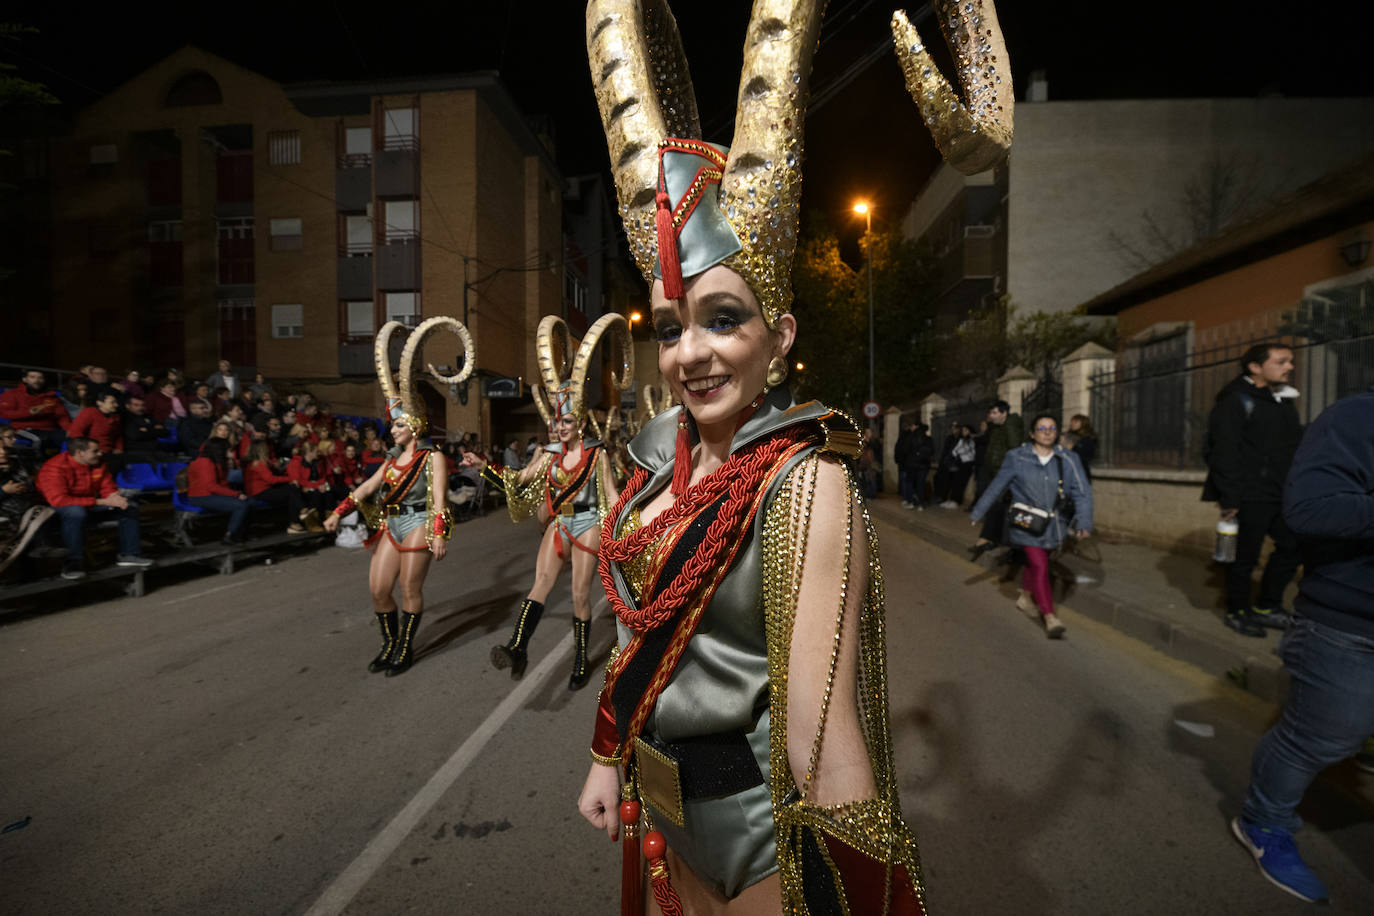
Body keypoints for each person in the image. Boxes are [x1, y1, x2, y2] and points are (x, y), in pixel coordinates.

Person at [572, 2, 975, 905]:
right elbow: (640, 638)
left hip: (763, 838)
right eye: (673, 328)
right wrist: (609, 759)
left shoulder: (804, 481)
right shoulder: (656, 464)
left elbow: (820, 738)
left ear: (779, 335)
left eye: (724, 319)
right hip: (659, 810)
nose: (692, 353)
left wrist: (869, 891)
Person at [1230, 387, 1374, 905]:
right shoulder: (1357, 417)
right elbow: (1310, 509)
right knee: (1323, 736)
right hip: (1351, 623)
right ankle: (1263, 822)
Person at [322, 317, 472, 677]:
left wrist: (438, 533)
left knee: (409, 587)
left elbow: (439, 497)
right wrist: (338, 511)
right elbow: (368, 487)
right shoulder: (391, 459)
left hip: (419, 520)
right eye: (393, 423)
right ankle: (389, 643)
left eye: (400, 424)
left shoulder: (431, 457)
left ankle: (404, 647)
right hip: (390, 523)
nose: (393, 429)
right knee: (377, 589)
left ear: (416, 426)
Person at [485, 314, 626, 691]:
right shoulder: (546, 454)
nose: (559, 427)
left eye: (565, 422)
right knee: (541, 584)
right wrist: (483, 469)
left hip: (587, 524)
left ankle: (581, 656)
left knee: (580, 594)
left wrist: (628, 527)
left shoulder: (596, 454)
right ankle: (517, 647)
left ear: (578, 423)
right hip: (558, 523)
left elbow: (610, 495)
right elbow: (520, 479)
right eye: (556, 422)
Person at [1203, 343, 1302, 637]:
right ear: (1255, 367)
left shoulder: (1282, 400)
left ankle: (1267, 606)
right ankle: (1237, 611)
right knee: (1245, 556)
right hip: (1248, 493)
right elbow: (1223, 452)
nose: (1289, 367)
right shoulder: (1235, 400)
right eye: (1282, 361)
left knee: (1293, 545)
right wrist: (1230, 497)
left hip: (1281, 491)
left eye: (1290, 361)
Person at [970, 413, 1093, 638]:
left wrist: (1084, 521)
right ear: (1032, 433)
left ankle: (1025, 597)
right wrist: (979, 511)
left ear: (1056, 433)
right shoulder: (1016, 457)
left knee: (1039, 562)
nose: (1047, 432)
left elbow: (1082, 491)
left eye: (1052, 428)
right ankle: (1049, 616)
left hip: (1055, 524)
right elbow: (997, 485)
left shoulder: (1068, 459)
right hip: (1026, 523)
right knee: (1040, 565)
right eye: (1042, 427)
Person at [36, 436, 153, 579]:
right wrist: (101, 502)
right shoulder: (54, 467)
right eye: (95, 451)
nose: (100, 453)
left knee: (129, 506)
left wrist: (115, 498)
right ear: (80, 453)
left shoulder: (98, 463)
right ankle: (72, 563)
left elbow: (107, 486)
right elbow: (59, 500)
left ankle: (129, 555)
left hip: (89, 505)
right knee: (75, 512)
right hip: (57, 510)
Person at [969, 399, 1026, 559]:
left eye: (994, 413)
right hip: (996, 474)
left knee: (1006, 510)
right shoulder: (996, 428)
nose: (991, 416)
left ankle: (1009, 547)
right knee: (998, 508)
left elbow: (1014, 449)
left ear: (1004, 413)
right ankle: (991, 540)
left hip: (1009, 476)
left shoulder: (1011, 425)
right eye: (990, 413)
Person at [0, 436, 52, 576]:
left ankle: (28, 573)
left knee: (39, 513)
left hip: (20, 509)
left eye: (4, 448)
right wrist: (3, 491)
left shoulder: (16, 464)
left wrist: (28, 485)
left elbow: (34, 482)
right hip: (4, 513)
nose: (3, 452)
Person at [186, 437, 250, 544]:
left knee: (248, 501)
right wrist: (236, 494)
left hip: (209, 494)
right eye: (228, 450)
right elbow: (211, 486)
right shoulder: (204, 462)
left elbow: (222, 483)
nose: (231, 453)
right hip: (201, 496)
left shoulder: (215, 462)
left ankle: (240, 534)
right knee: (240, 505)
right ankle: (230, 535)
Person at [243, 441, 313, 534]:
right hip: (260, 493)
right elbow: (270, 479)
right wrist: (290, 479)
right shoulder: (257, 464)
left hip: (264, 489)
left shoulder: (256, 463)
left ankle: (300, 515)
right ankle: (298, 517)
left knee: (292, 488)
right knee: (290, 493)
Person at [0, 369, 70, 452]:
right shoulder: (11, 394)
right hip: (24, 429)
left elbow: (62, 417)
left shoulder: (51, 397)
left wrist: (70, 430)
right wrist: (29, 412)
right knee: (43, 439)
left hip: (51, 430)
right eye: (32, 377)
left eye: (40, 378)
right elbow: (5, 414)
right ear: (25, 379)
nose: (36, 380)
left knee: (74, 437)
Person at [69, 392, 125, 472]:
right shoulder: (90, 413)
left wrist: (119, 448)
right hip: (92, 451)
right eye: (112, 402)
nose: (116, 405)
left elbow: (118, 435)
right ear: (100, 403)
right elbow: (75, 432)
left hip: (109, 451)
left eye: (116, 402)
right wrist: (89, 450)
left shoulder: (115, 417)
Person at [940, 424, 978, 508]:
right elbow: (954, 451)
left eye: (965, 430)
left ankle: (956, 501)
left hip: (968, 463)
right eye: (963, 430)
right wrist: (959, 452)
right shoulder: (961, 440)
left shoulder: (972, 440)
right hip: (961, 462)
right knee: (956, 482)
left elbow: (966, 450)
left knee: (961, 483)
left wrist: (959, 452)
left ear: (969, 431)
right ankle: (952, 500)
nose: (963, 432)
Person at [901, 420, 934, 510]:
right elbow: (932, 451)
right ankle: (920, 503)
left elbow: (905, 450)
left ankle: (911, 502)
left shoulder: (911, 437)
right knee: (921, 484)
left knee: (911, 483)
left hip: (912, 465)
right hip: (924, 465)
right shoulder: (928, 438)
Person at [1065, 413, 1097, 481]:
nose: (1072, 424)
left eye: (1076, 422)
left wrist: (1073, 448)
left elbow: (1088, 455)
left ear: (1083, 423)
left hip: (1081, 471)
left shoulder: (1088, 438)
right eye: (1072, 422)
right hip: (1067, 470)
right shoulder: (1068, 436)